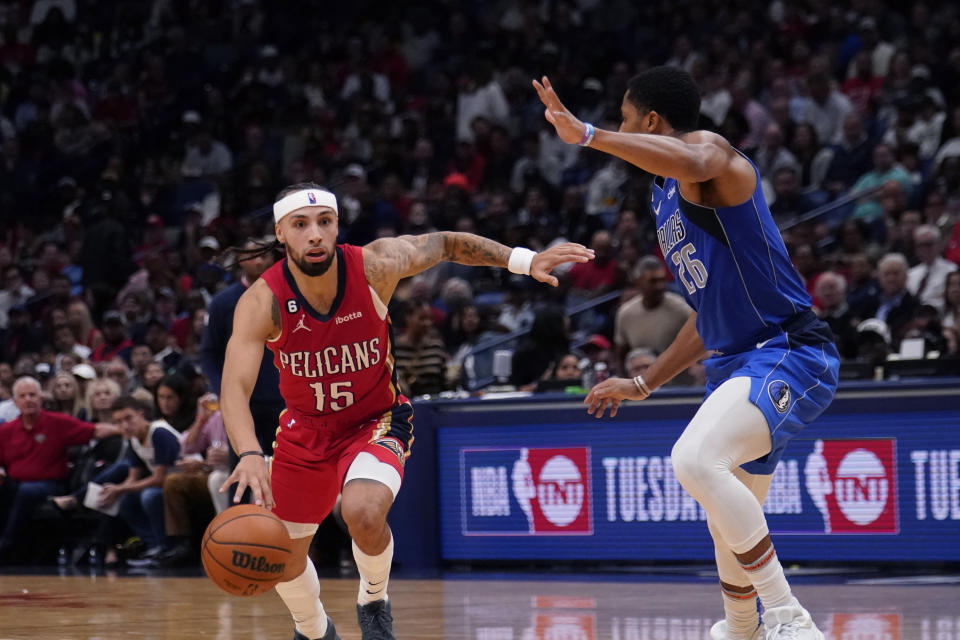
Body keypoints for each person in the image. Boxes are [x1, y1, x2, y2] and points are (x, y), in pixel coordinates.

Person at [534, 67, 839, 640]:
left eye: (627, 120)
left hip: (788, 348)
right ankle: (742, 625)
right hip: (733, 359)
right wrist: (645, 383)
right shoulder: (663, 196)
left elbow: (696, 161)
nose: (622, 131)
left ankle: (787, 615)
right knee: (726, 512)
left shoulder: (711, 155)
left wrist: (590, 134)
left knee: (695, 460)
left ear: (650, 121)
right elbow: (708, 313)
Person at [219, 183, 592, 640]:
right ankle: (314, 630)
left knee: (364, 512)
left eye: (324, 222)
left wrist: (523, 260)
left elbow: (447, 244)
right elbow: (234, 387)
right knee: (284, 557)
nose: (314, 234)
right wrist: (250, 453)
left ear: (337, 226)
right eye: (301, 225)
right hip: (305, 432)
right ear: (282, 233)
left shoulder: (374, 265)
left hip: (375, 420)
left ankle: (373, 599)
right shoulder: (262, 300)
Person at [0, 377, 119, 563]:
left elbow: (94, 430)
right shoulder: (6, 431)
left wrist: (124, 429)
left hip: (50, 484)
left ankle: (7, 545)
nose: (28, 399)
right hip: (15, 483)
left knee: (26, 491)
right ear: (15, 402)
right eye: (23, 396)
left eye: (32, 394)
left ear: (40, 398)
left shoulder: (57, 423)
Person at [199, 237, 283, 465]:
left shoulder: (289, 296)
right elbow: (208, 353)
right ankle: (241, 503)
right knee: (243, 470)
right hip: (242, 402)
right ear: (240, 260)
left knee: (286, 473)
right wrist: (223, 391)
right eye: (253, 255)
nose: (259, 261)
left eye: (265, 255)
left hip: (285, 400)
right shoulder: (222, 302)